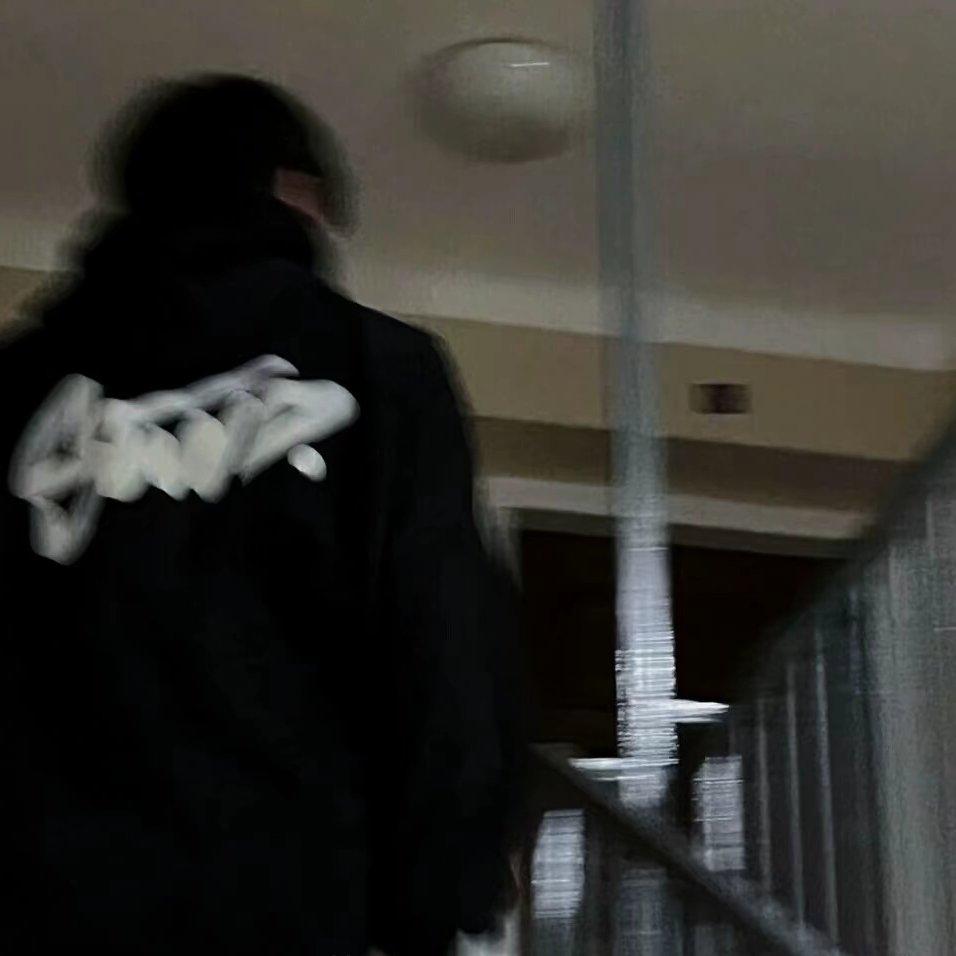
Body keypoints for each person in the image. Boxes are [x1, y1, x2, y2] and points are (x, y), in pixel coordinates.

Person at [0, 75, 521, 955]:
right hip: (285, 900)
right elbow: (440, 638)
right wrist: (440, 893)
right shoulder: (377, 367)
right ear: (292, 189)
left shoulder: (14, 388)